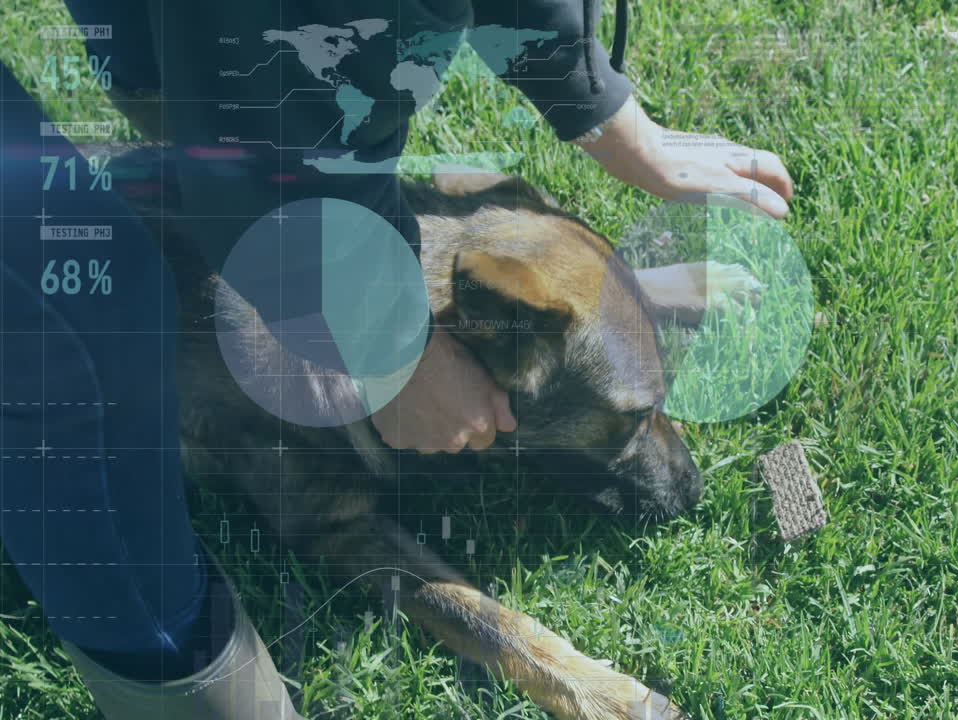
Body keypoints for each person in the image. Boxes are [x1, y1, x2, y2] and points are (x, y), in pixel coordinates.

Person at [0, 1, 793, 718]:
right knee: (91, 319)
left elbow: (475, 240)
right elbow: (336, 537)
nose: (660, 448)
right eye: (630, 420)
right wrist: (395, 356)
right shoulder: (273, 381)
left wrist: (613, 119)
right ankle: (167, 678)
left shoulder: (462, 258)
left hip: (243, 100)